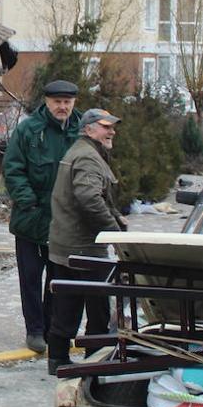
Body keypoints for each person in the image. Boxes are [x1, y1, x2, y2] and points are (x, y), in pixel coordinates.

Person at [2, 79, 81, 353]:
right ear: (47, 102)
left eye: (67, 102)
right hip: (31, 220)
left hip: (65, 223)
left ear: (74, 103)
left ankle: (51, 328)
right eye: (57, 102)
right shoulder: (28, 130)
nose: (62, 107)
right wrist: (28, 203)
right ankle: (34, 330)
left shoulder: (82, 130)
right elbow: (13, 169)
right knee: (31, 280)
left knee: (57, 280)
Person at [46, 107, 125, 375]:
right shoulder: (89, 158)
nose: (112, 131)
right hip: (83, 248)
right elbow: (90, 199)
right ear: (89, 129)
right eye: (106, 126)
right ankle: (95, 358)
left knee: (68, 304)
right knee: (96, 307)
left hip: (68, 245)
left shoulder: (83, 152)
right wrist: (114, 231)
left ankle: (58, 359)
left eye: (113, 126)